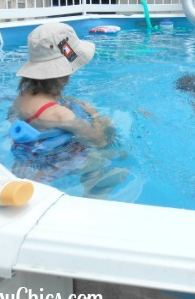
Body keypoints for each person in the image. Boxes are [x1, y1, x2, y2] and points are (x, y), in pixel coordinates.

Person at [10, 22, 127, 196]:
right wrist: (94, 115)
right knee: (115, 150)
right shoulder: (60, 114)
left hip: (27, 158)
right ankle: (93, 183)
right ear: (63, 75)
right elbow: (97, 140)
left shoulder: (22, 97)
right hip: (53, 165)